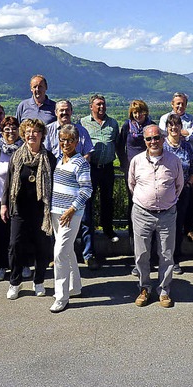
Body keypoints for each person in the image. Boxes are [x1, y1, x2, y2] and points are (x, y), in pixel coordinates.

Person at [129, 124, 183, 308]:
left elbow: (179, 185)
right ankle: (144, 288)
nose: (153, 141)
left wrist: (165, 201)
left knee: (167, 254)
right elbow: (132, 184)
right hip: (142, 213)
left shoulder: (174, 160)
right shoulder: (136, 161)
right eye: (149, 139)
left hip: (167, 214)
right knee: (142, 254)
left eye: (156, 138)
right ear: (144, 141)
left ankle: (164, 290)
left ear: (162, 138)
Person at [1, 118, 56, 300]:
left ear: (42, 135)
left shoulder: (49, 158)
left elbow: (55, 185)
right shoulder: (17, 156)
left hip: (42, 210)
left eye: (36, 132)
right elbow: (8, 183)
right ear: (23, 135)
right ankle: (15, 282)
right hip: (20, 209)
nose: (32, 135)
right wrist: (3, 204)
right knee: (15, 245)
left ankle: (38, 281)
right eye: (28, 132)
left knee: (42, 247)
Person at [50, 124, 93, 313]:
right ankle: (75, 287)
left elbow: (87, 189)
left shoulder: (81, 162)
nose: (65, 143)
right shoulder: (59, 159)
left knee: (59, 253)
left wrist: (71, 209)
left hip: (70, 214)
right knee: (67, 251)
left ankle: (61, 296)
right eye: (62, 139)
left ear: (76, 142)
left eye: (69, 140)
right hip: (55, 212)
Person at [80, 94, 120, 270]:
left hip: (108, 167)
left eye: (103, 104)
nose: (102, 107)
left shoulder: (113, 124)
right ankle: (89, 246)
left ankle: (108, 229)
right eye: (98, 105)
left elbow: (118, 145)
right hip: (90, 168)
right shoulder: (82, 123)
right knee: (88, 204)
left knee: (107, 200)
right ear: (91, 107)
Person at [117, 99, 155, 274]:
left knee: (152, 211)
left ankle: (152, 256)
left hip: (150, 173)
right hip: (132, 174)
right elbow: (119, 146)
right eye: (134, 112)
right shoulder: (127, 126)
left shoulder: (152, 127)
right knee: (135, 213)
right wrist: (126, 165)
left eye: (140, 111)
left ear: (145, 112)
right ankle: (137, 257)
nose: (137, 115)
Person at [158, 92, 193, 242]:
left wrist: (189, 183)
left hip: (186, 181)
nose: (180, 106)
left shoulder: (191, 119)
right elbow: (162, 134)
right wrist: (187, 133)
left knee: (187, 209)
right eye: (177, 103)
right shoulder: (164, 119)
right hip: (168, 187)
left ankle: (188, 230)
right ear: (172, 104)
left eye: (183, 103)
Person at [0, 116, 23, 281]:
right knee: (1, 236)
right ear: (1, 132)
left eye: (14, 128)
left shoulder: (25, 149)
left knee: (18, 236)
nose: (10, 132)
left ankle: (20, 264)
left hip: (20, 200)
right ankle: (1, 265)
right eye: (7, 129)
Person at [163, 114, 193, 275]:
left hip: (183, 192)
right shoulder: (162, 146)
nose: (174, 128)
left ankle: (175, 260)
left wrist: (189, 183)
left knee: (178, 225)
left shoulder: (187, 147)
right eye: (171, 125)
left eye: (177, 125)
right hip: (165, 192)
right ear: (167, 127)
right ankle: (161, 258)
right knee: (163, 226)